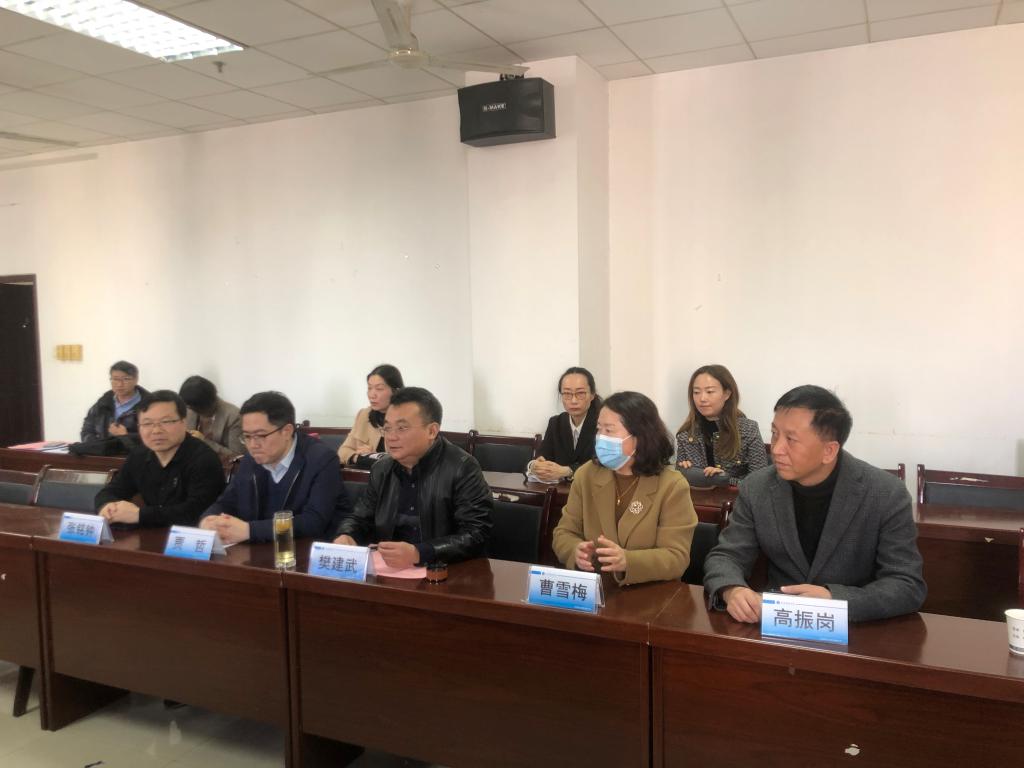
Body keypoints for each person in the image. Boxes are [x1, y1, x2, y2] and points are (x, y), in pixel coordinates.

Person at [703, 385, 926, 623]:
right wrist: (732, 589)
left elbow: (906, 584)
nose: (776, 449)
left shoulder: (885, 494)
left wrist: (835, 600)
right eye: (775, 433)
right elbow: (726, 556)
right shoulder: (757, 487)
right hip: (779, 622)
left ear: (829, 451)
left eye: (791, 439)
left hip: (856, 628)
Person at [334, 387, 492, 568]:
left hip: (446, 571)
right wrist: (347, 534)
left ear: (432, 431)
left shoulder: (462, 468)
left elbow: (476, 534)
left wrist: (420, 553)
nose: (391, 437)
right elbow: (361, 517)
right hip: (390, 570)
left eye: (402, 428)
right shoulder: (382, 469)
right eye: (387, 428)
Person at [552, 391, 698, 586]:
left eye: (609, 430)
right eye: (599, 429)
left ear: (639, 436)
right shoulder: (586, 474)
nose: (600, 438)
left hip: (650, 593)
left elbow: (676, 557)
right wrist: (574, 550)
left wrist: (628, 561)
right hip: (596, 588)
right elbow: (563, 533)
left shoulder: (672, 485)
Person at [200, 391, 350, 544]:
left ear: (286, 431)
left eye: (260, 436)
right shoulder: (250, 461)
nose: (253, 445)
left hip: (305, 551)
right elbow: (227, 502)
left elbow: (313, 522)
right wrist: (209, 520)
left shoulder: (321, 459)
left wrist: (249, 531)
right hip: (260, 550)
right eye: (247, 436)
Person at [95, 390, 225, 526]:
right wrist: (107, 506)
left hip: (188, 536)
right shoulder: (139, 455)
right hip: (149, 534)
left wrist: (139, 515)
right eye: (147, 423)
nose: (156, 430)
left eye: (166, 422)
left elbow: (196, 512)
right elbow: (110, 491)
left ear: (183, 422)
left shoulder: (204, 459)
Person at [675, 364, 767, 483]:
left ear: (727, 394)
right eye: (696, 392)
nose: (702, 398)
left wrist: (723, 479)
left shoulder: (749, 429)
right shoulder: (685, 434)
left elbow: (759, 482)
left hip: (736, 495)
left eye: (710, 391)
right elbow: (679, 483)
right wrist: (685, 472)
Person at [528, 366, 601, 482]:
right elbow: (542, 457)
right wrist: (535, 466)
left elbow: (601, 465)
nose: (573, 401)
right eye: (567, 394)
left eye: (580, 393)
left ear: (592, 395)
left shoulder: (603, 425)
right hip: (560, 490)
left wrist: (569, 471)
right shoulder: (555, 423)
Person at [338, 364, 403, 468]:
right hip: (364, 477)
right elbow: (343, 451)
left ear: (396, 391)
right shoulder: (364, 415)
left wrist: (374, 456)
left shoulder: (406, 419)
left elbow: (407, 460)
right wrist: (359, 458)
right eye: (369, 388)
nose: (372, 395)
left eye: (379, 389)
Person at [80, 360, 149, 445]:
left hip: (132, 453)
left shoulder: (149, 405)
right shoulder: (103, 402)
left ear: (136, 379)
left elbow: (153, 438)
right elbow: (87, 430)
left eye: (126, 379)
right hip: (102, 452)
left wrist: (126, 436)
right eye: (115, 379)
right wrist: (98, 447)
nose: (120, 384)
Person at [179, 375, 244, 460]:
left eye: (195, 409)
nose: (190, 410)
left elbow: (238, 457)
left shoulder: (234, 416)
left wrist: (204, 441)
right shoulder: (190, 409)